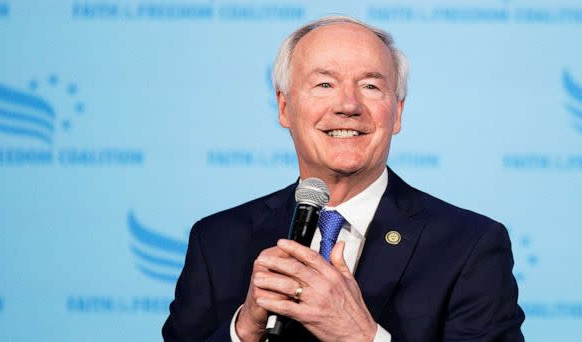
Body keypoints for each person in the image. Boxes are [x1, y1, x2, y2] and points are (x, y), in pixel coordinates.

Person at [162, 15, 525, 341]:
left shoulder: (470, 246)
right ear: (285, 108)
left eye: (370, 86)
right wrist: (244, 330)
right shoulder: (217, 241)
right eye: (324, 85)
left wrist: (361, 337)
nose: (348, 105)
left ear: (396, 113)